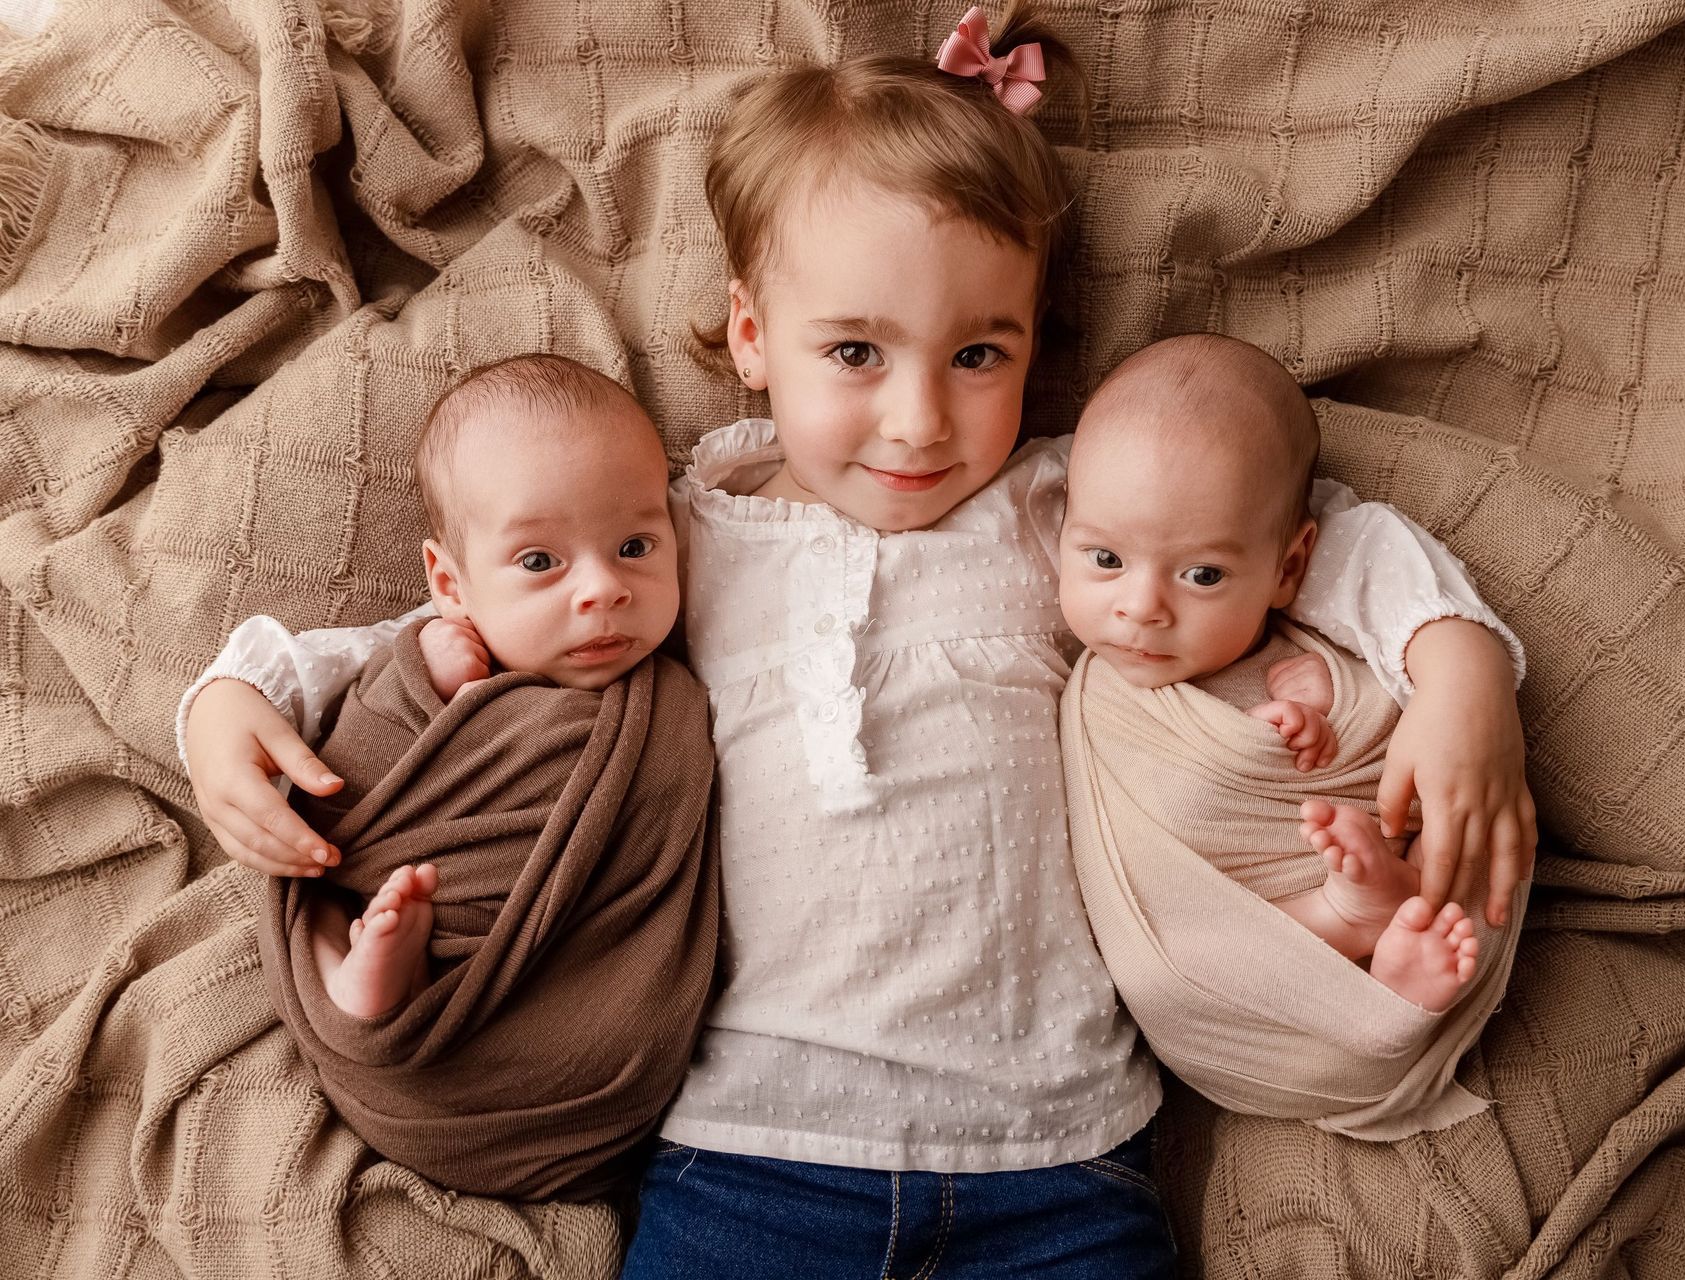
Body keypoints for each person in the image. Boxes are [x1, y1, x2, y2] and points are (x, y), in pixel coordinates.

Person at [179, 7, 1532, 1273]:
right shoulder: (678, 524)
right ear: (755, 340)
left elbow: (1312, 529)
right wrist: (237, 698)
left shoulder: (1066, 510)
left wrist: (1456, 666)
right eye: (857, 354)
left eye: (979, 356)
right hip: (751, 1144)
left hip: (1058, 1145)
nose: (920, 423)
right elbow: (473, 608)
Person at [216, 354, 719, 1200]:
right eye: (539, 563)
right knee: (342, 890)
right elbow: (348, 794)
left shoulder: (668, 695)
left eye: (635, 546)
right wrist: (417, 679)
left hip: (578, 1018)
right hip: (428, 919)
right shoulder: (425, 658)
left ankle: (385, 987)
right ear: (451, 583)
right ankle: (368, 987)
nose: (603, 590)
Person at [1059, 333, 1517, 1017]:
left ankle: (1382, 936)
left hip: (1333, 854)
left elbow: (1374, 713)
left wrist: (1315, 712)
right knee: (1160, 968)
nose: (1141, 608)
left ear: (1289, 568)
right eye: (1104, 560)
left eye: (1202, 575)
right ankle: (1350, 929)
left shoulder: (1305, 630)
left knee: (1450, 814)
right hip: (1225, 939)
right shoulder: (1099, 688)